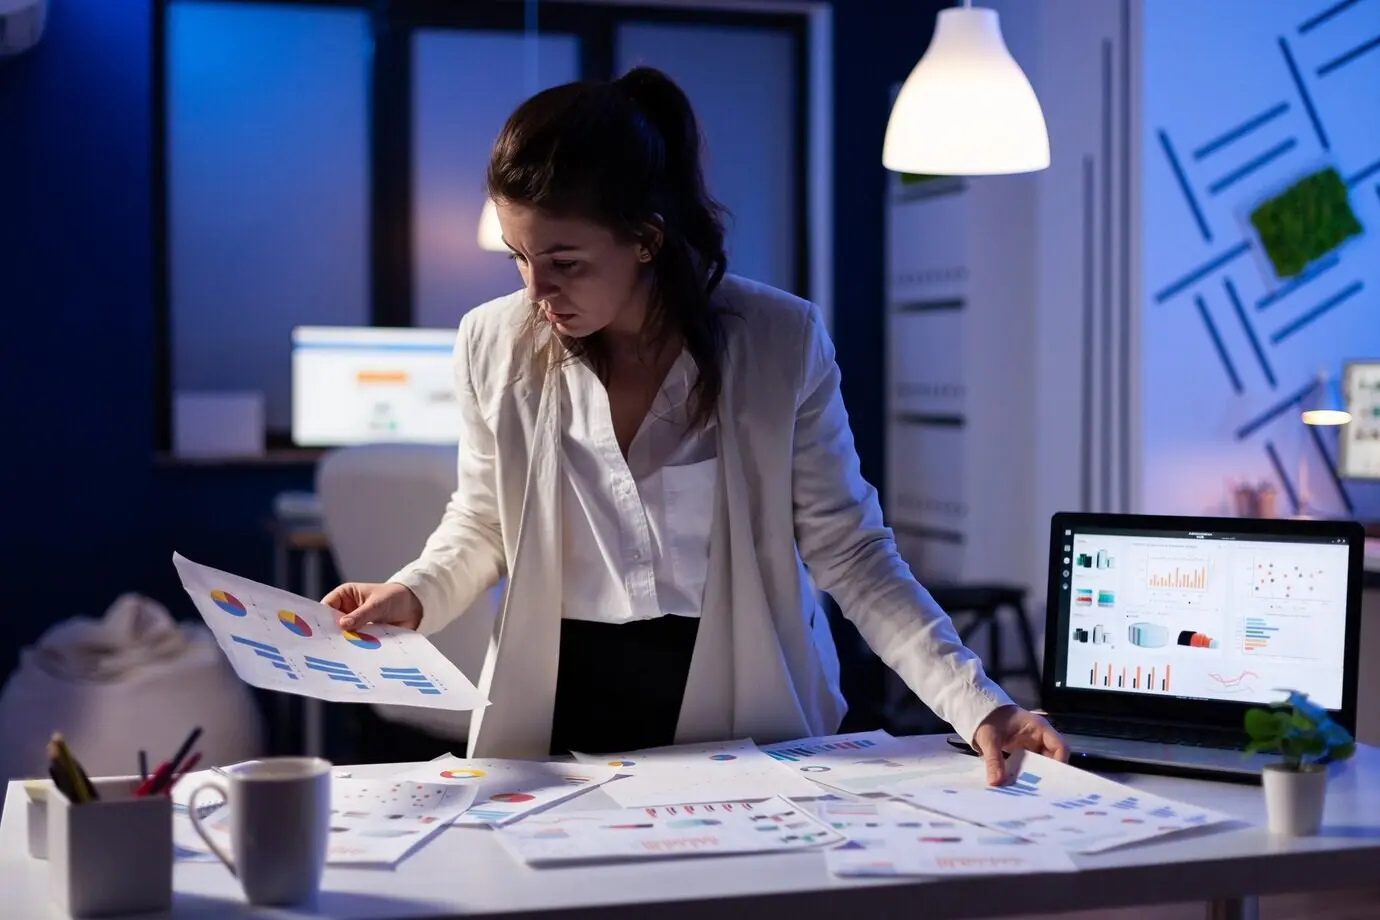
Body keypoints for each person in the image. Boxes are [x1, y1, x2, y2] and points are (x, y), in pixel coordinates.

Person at [324, 66, 1067, 785]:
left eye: (565, 262)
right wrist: (414, 593)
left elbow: (853, 554)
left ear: (646, 239)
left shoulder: (779, 340)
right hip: (558, 702)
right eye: (520, 258)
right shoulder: (494, 341)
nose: (537, 290)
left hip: (741, 703)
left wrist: (979, 705)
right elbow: (483, 521)